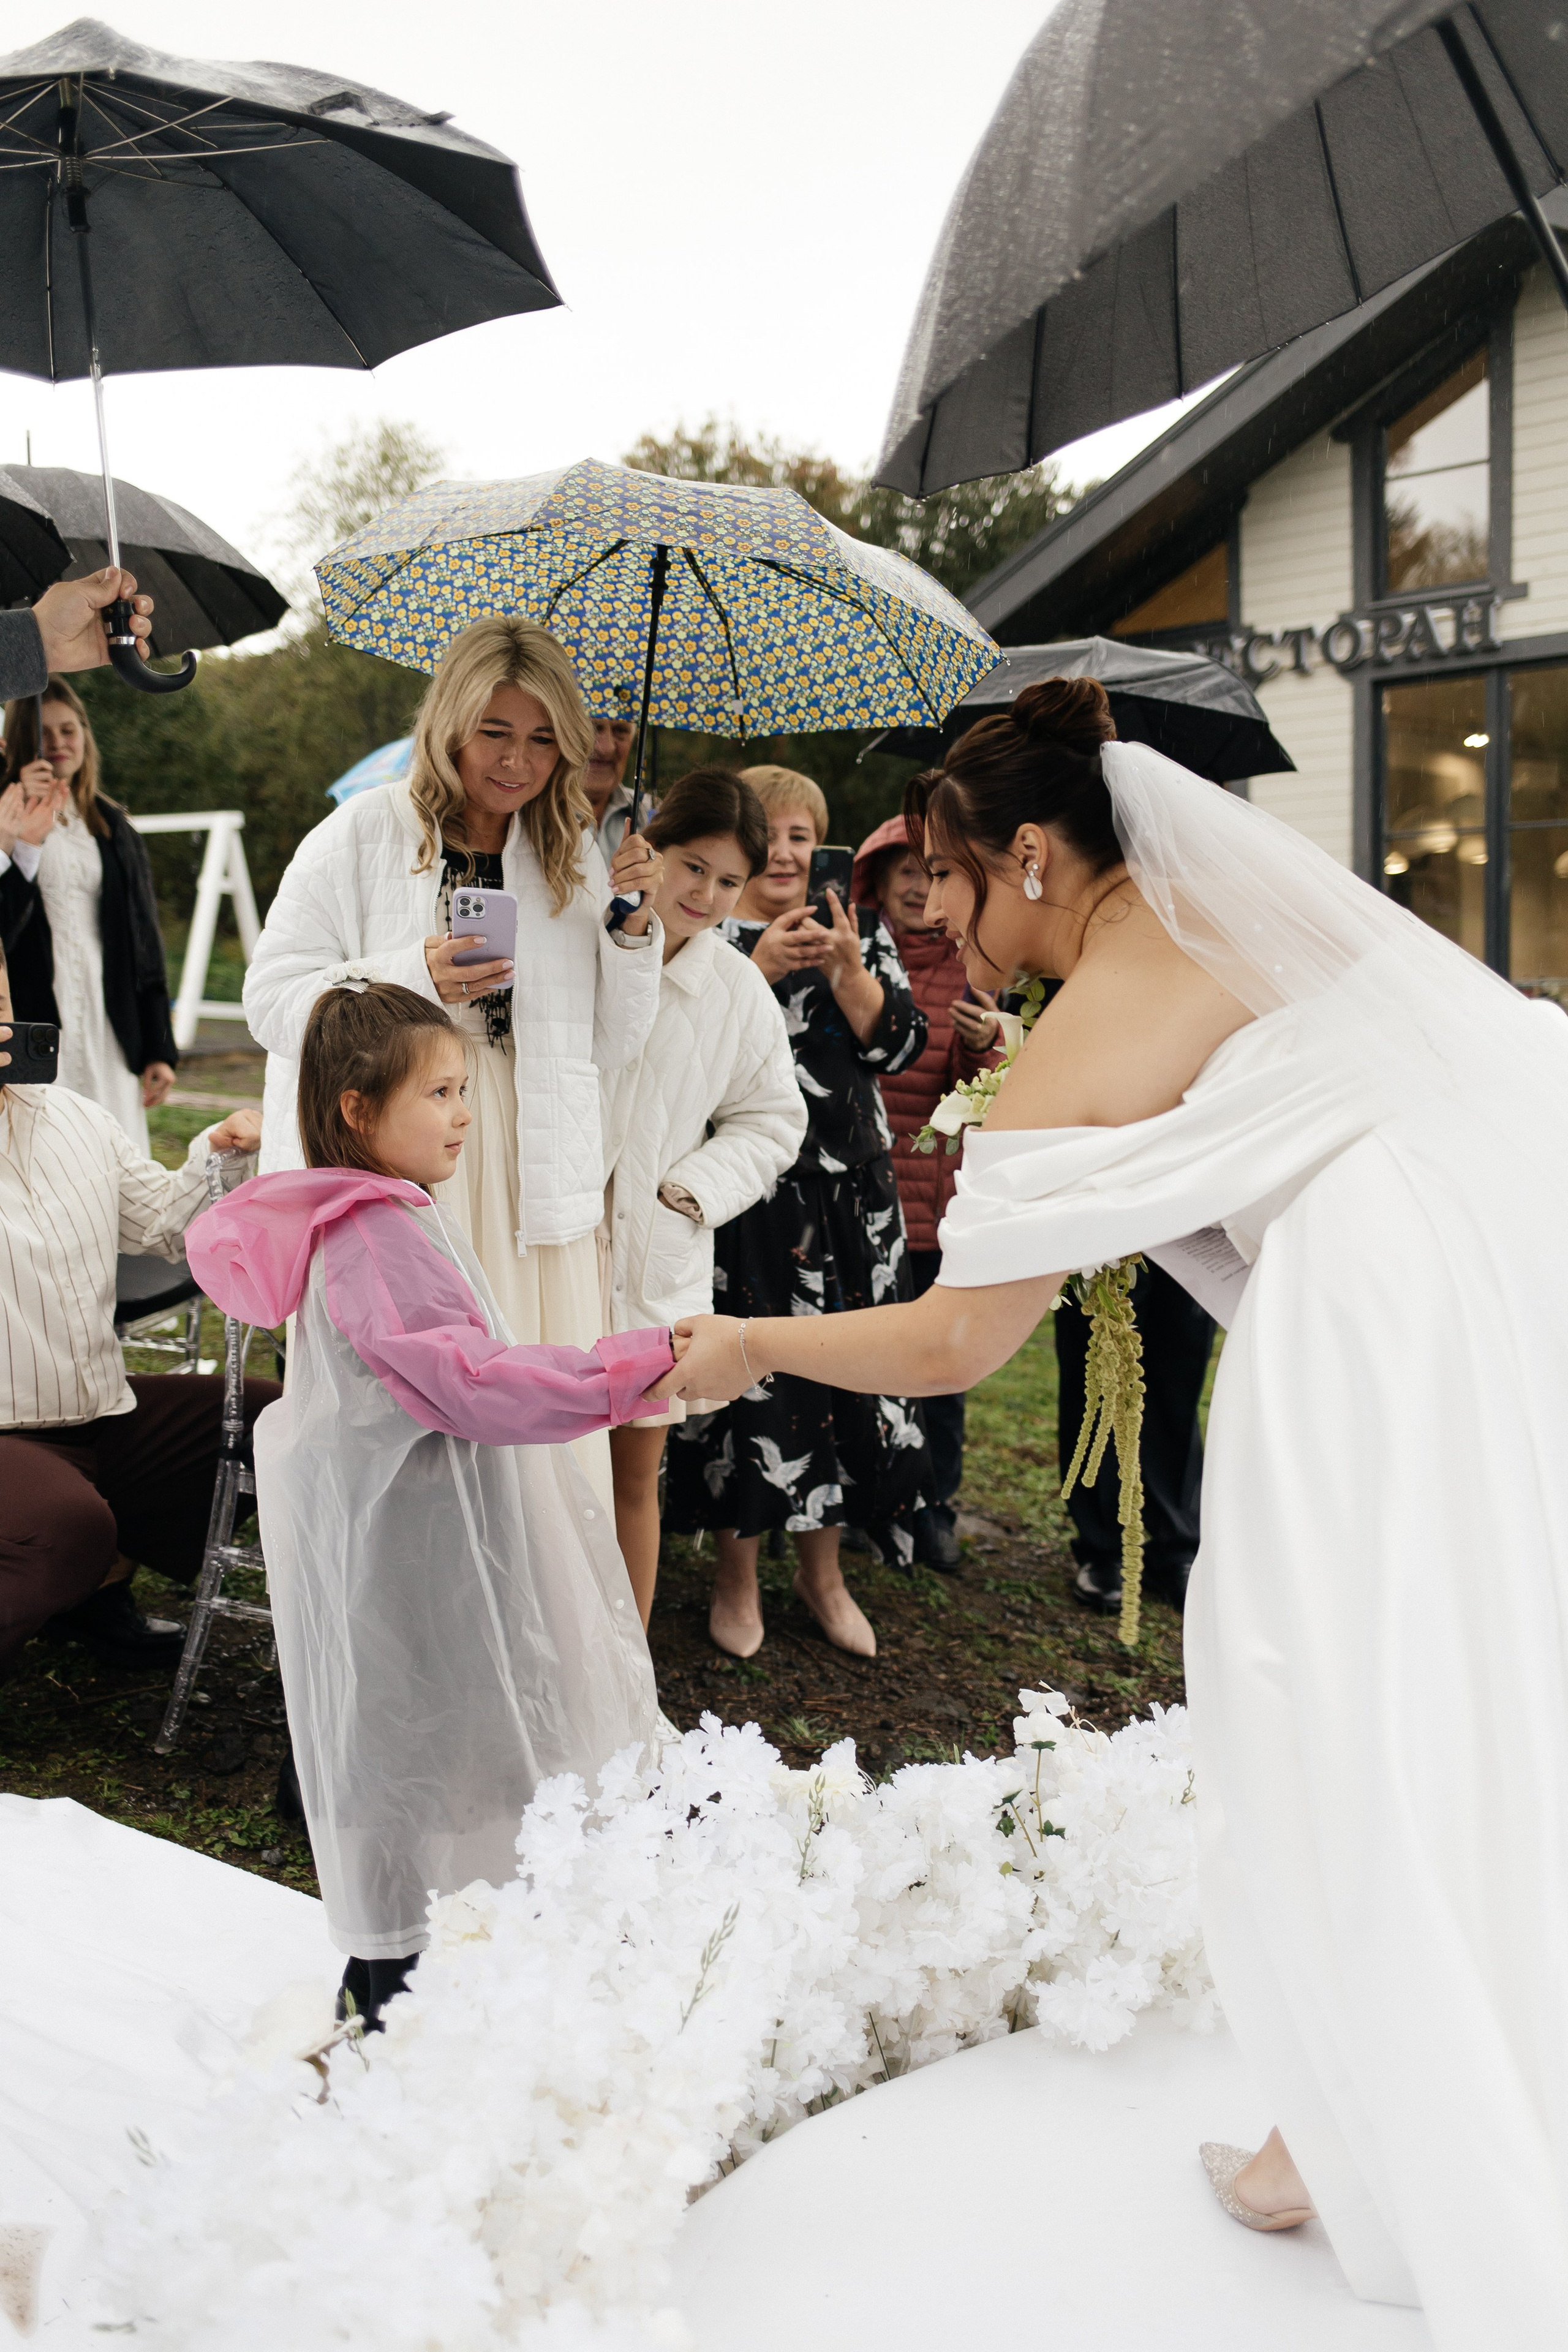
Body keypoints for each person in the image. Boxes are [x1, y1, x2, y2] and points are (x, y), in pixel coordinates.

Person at [660, 677, 1568, 2347]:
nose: (926, 911)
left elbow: (955, 1340)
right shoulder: (1270, 923)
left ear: (1027, 855)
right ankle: (1380, 2091)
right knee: (1472, 1672)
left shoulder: (1093, 1022)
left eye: (938, 877)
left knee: (1313, 1694)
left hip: (1381, 1306)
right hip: (1517, 1254)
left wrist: (744, 1345)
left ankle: (1387, 2124)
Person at [188, 982, 673, 2029]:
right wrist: (631, 1369)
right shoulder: (374, 1240)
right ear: (358, 1111)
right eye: (441, 1093)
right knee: (429, 1748)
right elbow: (470, 1383)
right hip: (415, 1548)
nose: (463, 1113)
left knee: (447, 1752)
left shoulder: (382, 1215)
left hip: (418, 1531)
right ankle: (393, 2004)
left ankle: (427, 1984)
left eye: (464, 1089)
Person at [243, 618, 664, 1507]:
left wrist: (631, 930)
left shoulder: (570, 857)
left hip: (526, 1161)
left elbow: (612, 1044)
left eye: (545, 739)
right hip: (401, 1160)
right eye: (497, 732)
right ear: (449, 726)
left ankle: (524, 1620)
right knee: (416, 1413)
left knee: (529, 1413)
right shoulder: (360, 833)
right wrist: (411, 976)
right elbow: (272, 1000)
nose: (520, 761)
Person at [662, 763, 931, 1660]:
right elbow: (683, 1056)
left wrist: (852, 966)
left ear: (824, 849)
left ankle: (824, 1576)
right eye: (769, 835)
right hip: (752, 1202)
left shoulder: (863, 931)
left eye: (801, 837)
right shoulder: (705, 934)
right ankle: (736, 1581)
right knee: (749, 1388)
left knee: (844, 1380)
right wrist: (758, 967)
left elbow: (898, 1044)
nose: (784, 853)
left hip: (853, 1198)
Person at [0, 940, 270, 1676]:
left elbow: (160, 1222)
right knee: (65, 1528)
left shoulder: (74, 1117)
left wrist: (221, 1153)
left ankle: (92, 1597)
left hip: (95, 1412)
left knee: (272, 1420)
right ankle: (69, 1565)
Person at [601, 768, 806, 1626]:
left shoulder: (738, 989)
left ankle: (621, 1677)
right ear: (653, 846)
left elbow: (772, 1121)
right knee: (537, 1468)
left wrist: (690, 1191)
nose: (707, 894)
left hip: (657, 1257)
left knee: (631, 1476)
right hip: (557, 1241)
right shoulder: (588, 938)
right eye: (693, 867)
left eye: (729, 881)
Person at [852, 812, 1001, 1570]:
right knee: (867, 1357)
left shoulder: (968, 964)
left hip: (935, 1203)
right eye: (902, 870)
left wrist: (982, 1048)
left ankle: (935, 1506)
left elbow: (975, 1102)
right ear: (875, 878)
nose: (917, 886)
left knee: (938, 1363)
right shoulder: (848, 951)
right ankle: (868, 1501)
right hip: (859, 1198)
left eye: (930, 871)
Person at [0, 678, 178, 1152]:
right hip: (37, 1014)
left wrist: (160, 1045)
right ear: (21, 739)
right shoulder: (5, 816)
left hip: (109, 1019)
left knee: (114, 1150)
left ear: (85, 735)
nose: (58, 744)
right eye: (44, 733)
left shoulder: (112, 824)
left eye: (69, 730)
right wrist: (18, 840)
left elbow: (146, 943)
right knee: (49, 1156)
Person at [585, 710, 636, 863]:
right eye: (593, 728)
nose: (607, 748)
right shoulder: (530, 818)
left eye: (620, 731)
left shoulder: (651, 816)